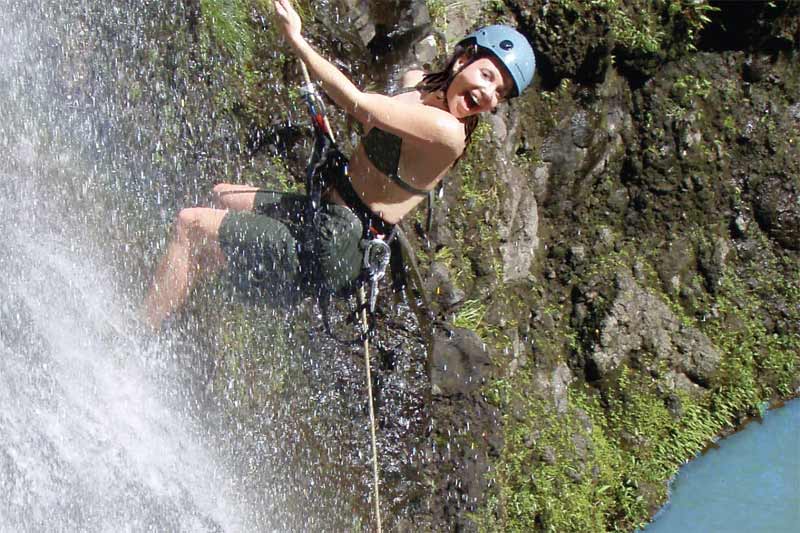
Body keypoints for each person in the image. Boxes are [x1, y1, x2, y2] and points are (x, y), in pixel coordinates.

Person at [142, 0, 535, 331]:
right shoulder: (422, 88)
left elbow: (361, 105)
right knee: (221, 197)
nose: (487, 93)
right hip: (329, 212)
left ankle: (139, 335)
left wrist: (296, 40)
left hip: (339, 243)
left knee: (190, 224)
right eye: (486, 75)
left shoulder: (448, 131)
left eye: (498, 91)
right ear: (464, 58)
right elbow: (377, 117)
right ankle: (181, 302)